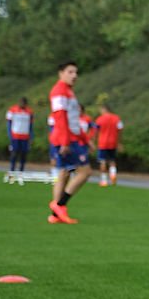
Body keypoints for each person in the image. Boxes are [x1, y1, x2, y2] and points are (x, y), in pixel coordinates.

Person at [47, 61, 92, 224]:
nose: (75, 75)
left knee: (64, 174)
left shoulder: (69, 92)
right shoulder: (59, 91)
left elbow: (73, 120)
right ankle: (60, 204)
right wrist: (65, 142)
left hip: (70, 138)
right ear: (61, 73)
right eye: (70, 72)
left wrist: (86, 140)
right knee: (85, 172)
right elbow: (60, 118)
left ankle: (55, 215)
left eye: (76, 72)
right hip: (65, 139)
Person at [93, 103, 124, 186]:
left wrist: (94, 141)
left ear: (104, 109)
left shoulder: (100, 119)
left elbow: (96, 131)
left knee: (103, 161)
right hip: (113, 142)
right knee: (112, 160)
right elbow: (120, 129)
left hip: (103, 142)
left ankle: (104, 180)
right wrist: (120, 142)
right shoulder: (116, 118)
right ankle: (113, 175)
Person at [5, 96, 34, 175]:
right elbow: (8, 124)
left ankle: (21, 171)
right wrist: (10, 135)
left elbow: (31, 125)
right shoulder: (12, 110)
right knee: (14, 153)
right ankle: (12, 170)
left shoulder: (30, 112)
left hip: (25, 136)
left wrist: (31, 136)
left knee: (23, 154)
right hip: (15, 136)